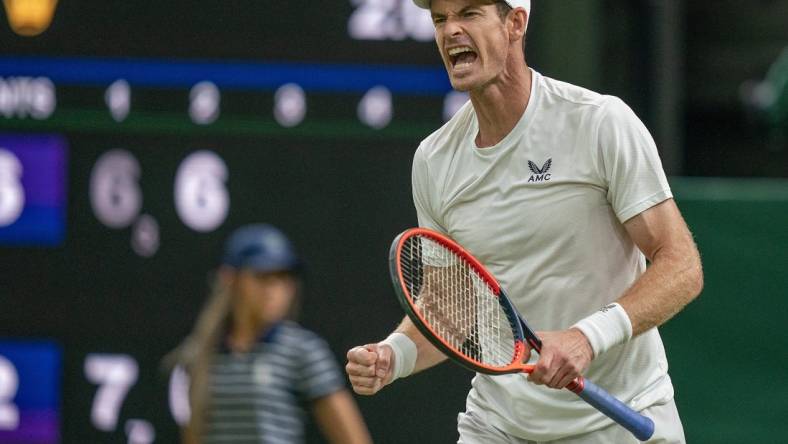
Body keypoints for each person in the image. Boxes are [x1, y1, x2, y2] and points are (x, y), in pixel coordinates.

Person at [345, 1, 704, 443]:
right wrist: (392, 355)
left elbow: (681, 265)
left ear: (515, 22)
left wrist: (587, 337)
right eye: (440, 19)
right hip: (499, 426)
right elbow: (450, 307)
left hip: (620, 418)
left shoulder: (599, 123)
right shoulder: (434, 160)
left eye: (469, 13)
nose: (451, 30)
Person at [170, 224, 372, 444]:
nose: (275, 289)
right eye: (263, 277)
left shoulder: (303, 350)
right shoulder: (199, 355)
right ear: (231, 279)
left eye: (284, 278)